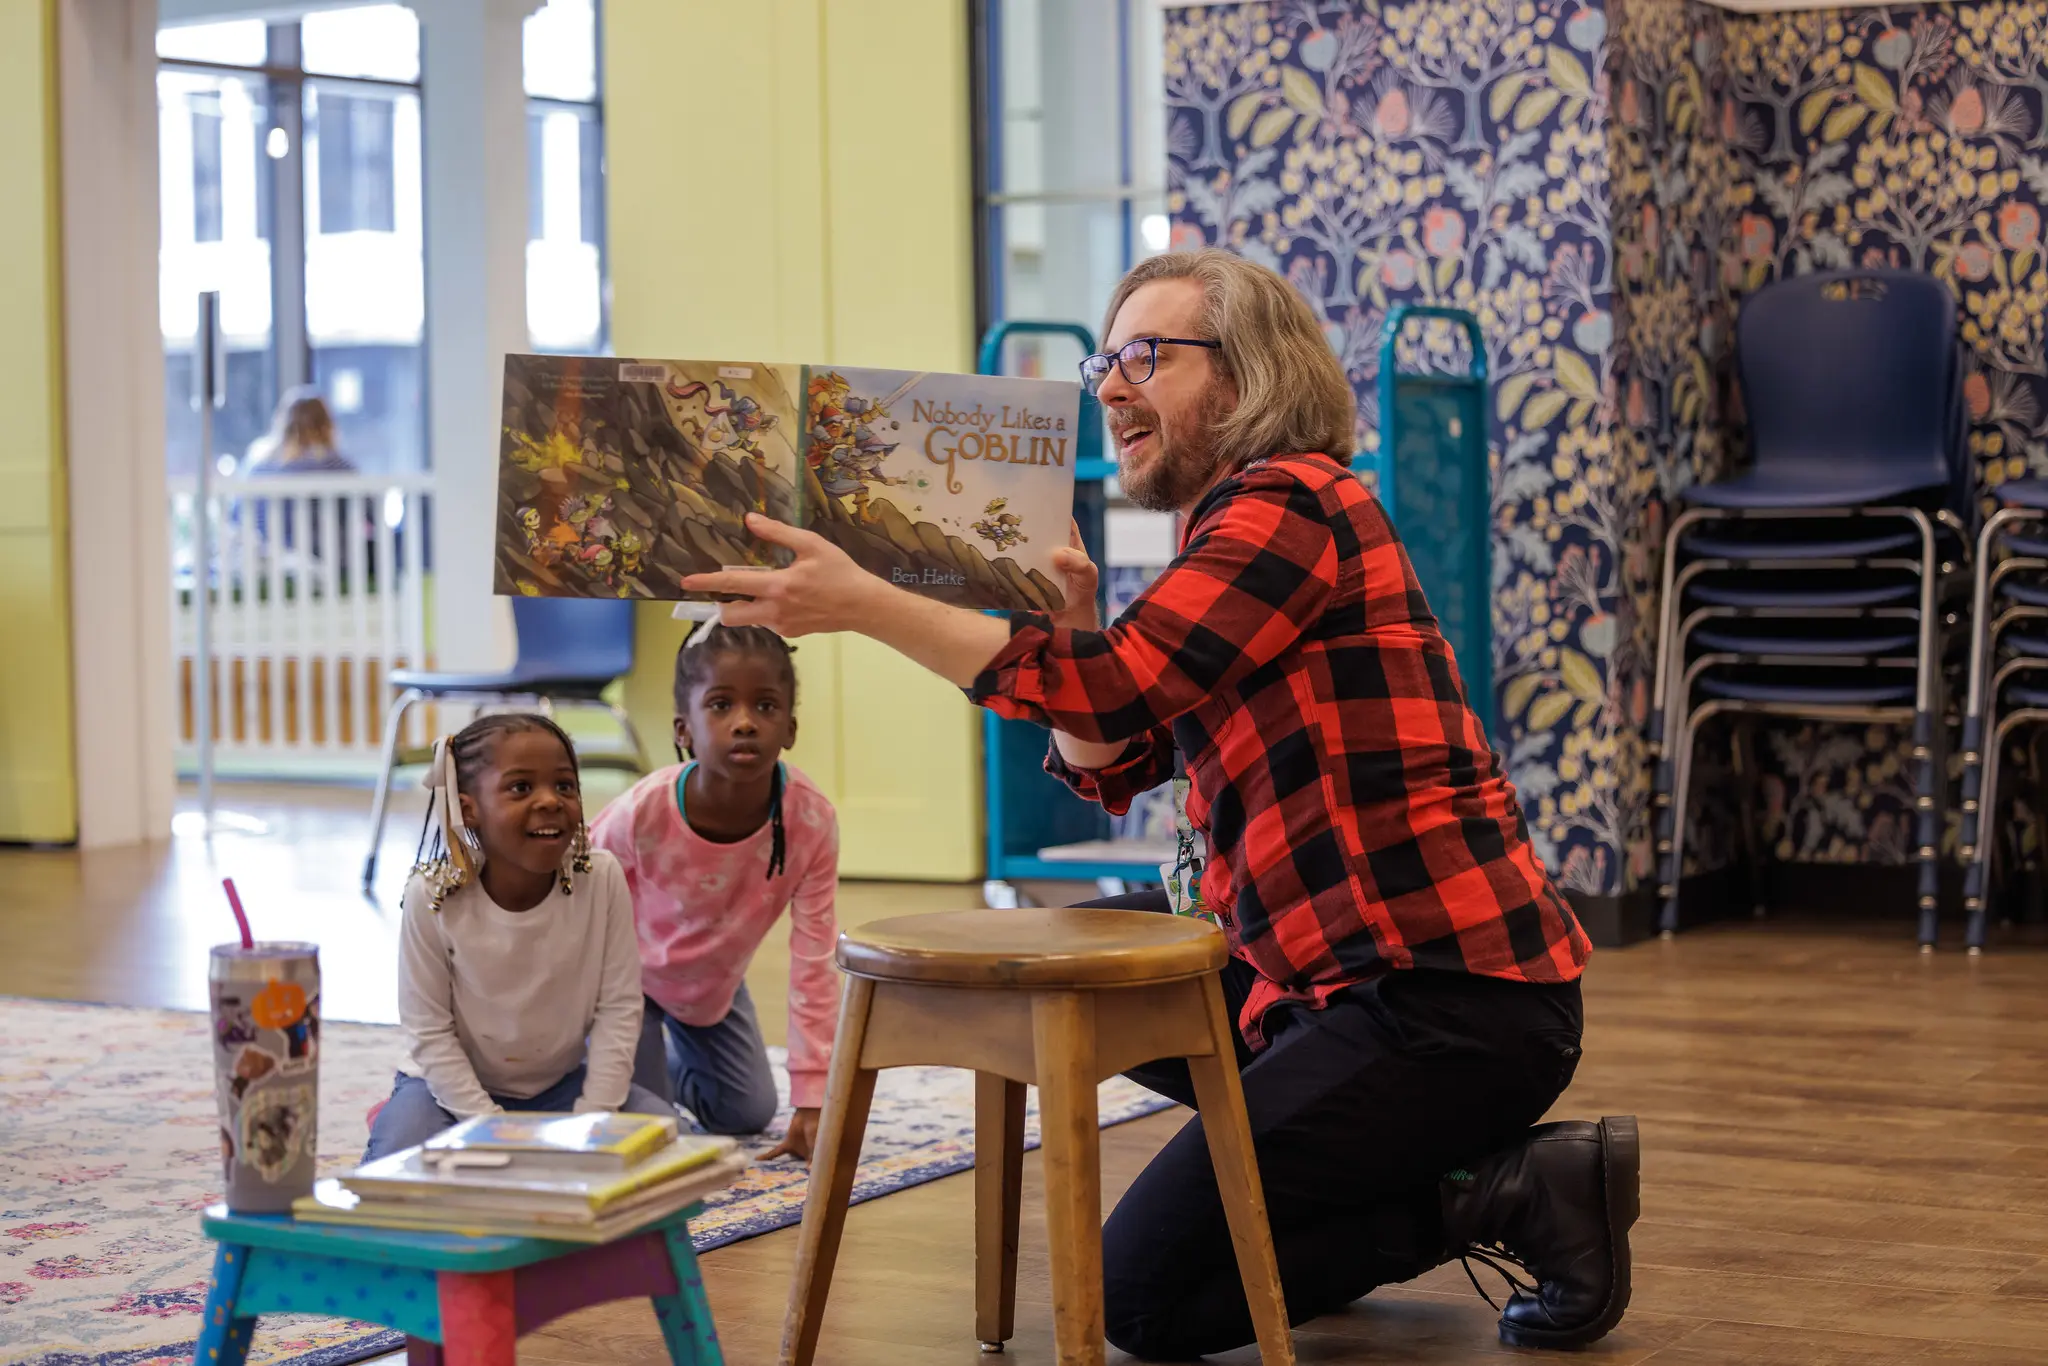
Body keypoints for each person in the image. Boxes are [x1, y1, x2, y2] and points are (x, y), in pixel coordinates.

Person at [682, 248, 1638, 1357]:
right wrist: (1080, 632)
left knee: (1136, 1300)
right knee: (1075, 973)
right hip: (1324, 984)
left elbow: (1110, 687)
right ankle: (1388, 1169)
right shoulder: (1228, 525)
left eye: (1145, 354)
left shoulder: (1290, 501)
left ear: (1242, 377)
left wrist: (866, 601)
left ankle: (1500, 1192)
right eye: (1105, 359)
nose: (1108, 385)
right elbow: (1116, 753)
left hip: (1443, 1005)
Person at [589, 622, 839, 1163]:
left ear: (790, 728)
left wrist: (813, 1097)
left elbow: (815, 962)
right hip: (622, 989)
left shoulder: (811, 820)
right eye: (721, 705)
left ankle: (665, 1069)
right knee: (650, 1132)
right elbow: (574, 900)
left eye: (766, 707)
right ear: (684, 728)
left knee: (747, 1113)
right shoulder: (640, 813)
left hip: (711, 990)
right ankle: (596, 1063)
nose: (745, 723)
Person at [365, 713, 666, 1160]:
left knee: (669, 1143)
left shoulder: (601, 877)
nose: (550, 801)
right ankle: (395, 1113)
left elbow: (619, 1008)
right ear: (469, 809)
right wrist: (491, 1128)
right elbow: (429, 1032)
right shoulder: (432, 895)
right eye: (521, 788)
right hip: (447, 1094)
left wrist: (593, 1117)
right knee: (396, 1165)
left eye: (565, 786)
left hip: (563, 1086)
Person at [245, 388, 354, 475]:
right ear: (326, 426)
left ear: (283, 427)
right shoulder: (342, 469)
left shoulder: (261, 470)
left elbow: (239, 501)